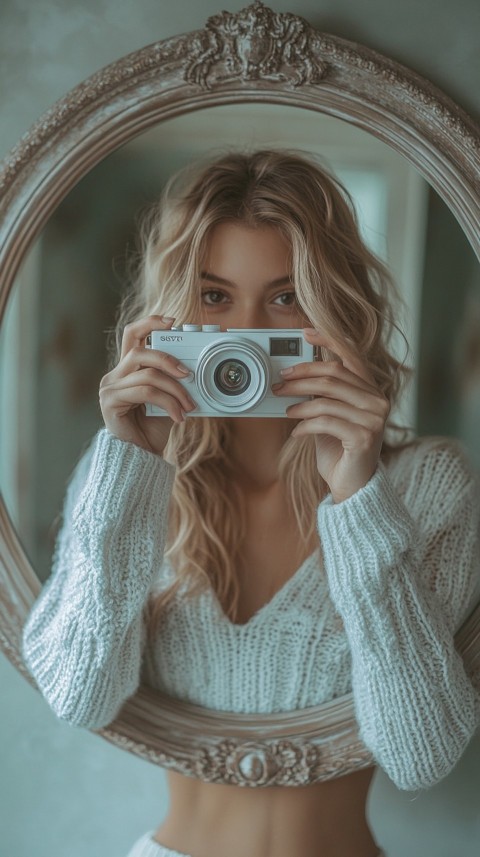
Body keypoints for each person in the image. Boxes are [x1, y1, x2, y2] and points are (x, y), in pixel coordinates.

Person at [22, 150, 480, 857]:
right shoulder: (125, 474)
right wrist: (130, 462)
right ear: (173, 314)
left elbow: (420, 753)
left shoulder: (427, 483)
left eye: (284, 295)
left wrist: (357, 494)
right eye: (214, 297)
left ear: (335, 304)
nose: (247, 332)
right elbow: (78, 695)